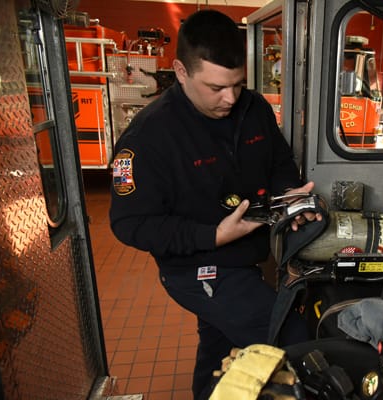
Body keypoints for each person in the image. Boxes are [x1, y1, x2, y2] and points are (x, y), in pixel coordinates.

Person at [109, 9, 320, 399]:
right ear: (181, 71)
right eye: (216, 87)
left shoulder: (253, 108)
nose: (230, 98)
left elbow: (278, 162)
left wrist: (290, 193)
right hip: (197, 268)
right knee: (290, 334)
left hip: (248, 256)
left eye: (238, 84)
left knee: (219, 344)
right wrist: (214, 234)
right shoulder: (149, 137)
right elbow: (130, 223)